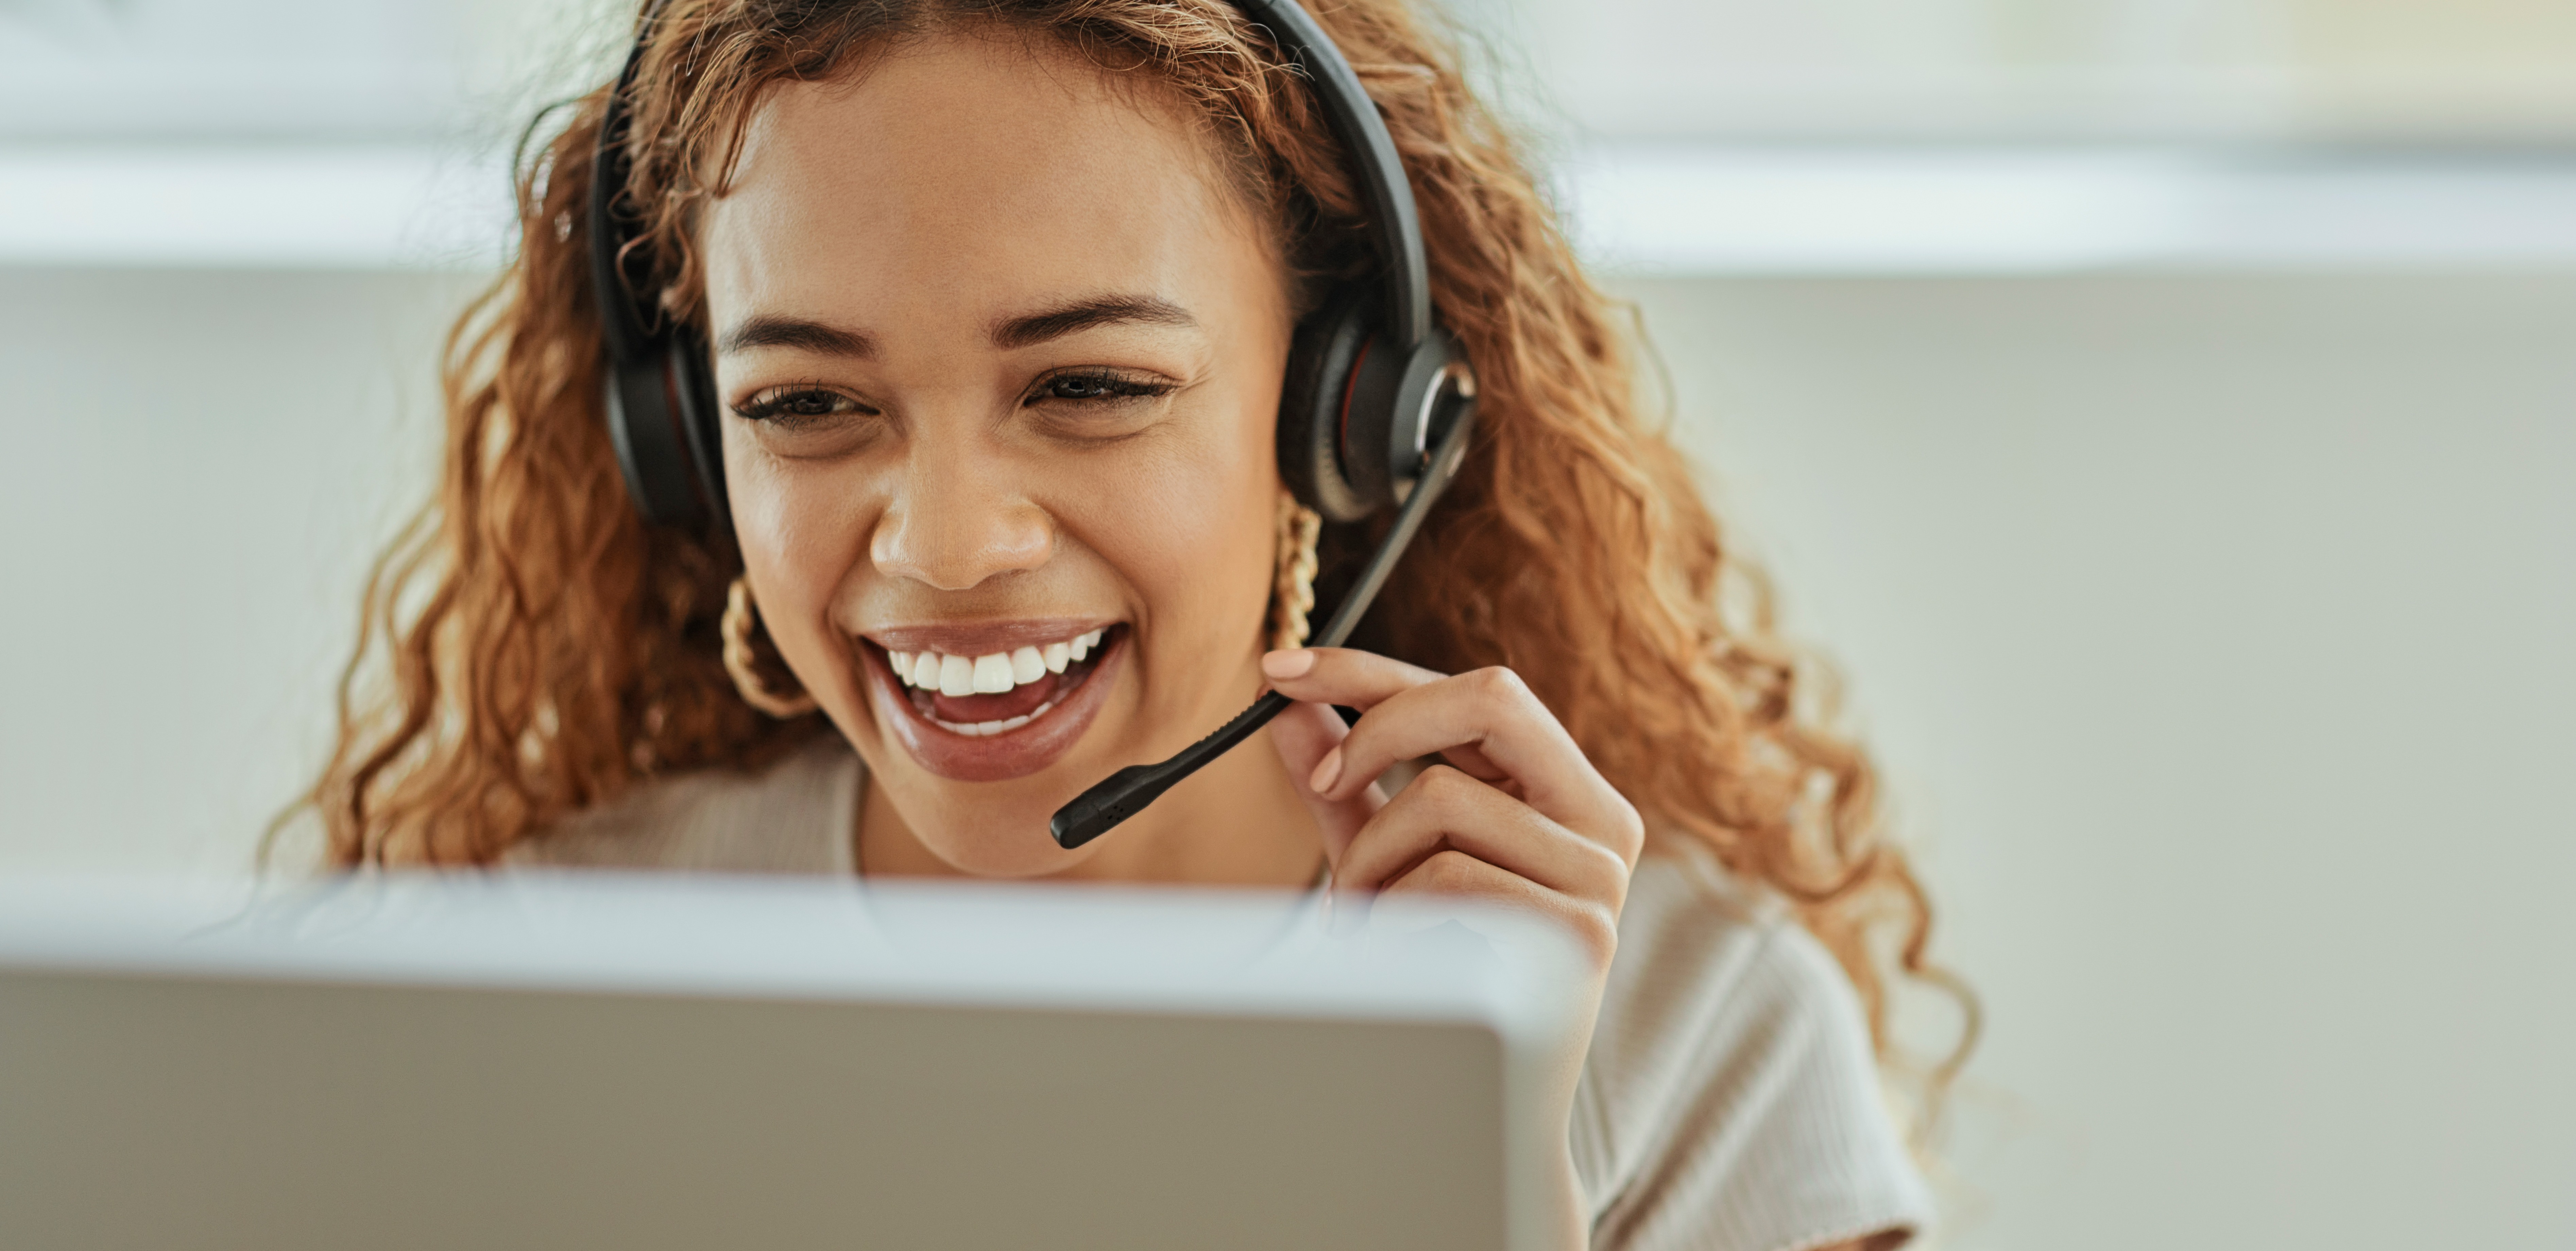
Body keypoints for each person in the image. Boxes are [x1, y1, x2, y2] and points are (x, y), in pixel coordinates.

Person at [302, 2, 1970, 1247]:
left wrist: (1485, 1172)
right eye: (806, 401)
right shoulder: (521, 982)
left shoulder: (1691, 1031)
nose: (948, 544)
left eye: (1091, 385)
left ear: (1344, 410)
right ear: (684, 443)